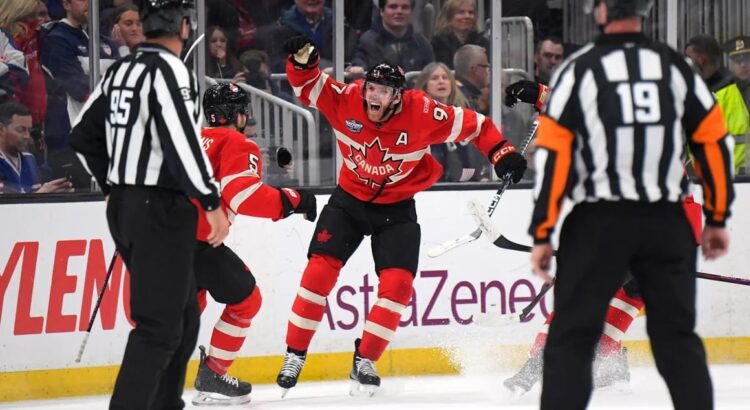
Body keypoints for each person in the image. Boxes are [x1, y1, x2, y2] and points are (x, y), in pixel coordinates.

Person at [276, 36, 527, 396]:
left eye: (382, 91)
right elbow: (307, 84)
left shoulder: (423, 112)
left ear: (398, 95)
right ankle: (294, 354)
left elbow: (477, 126)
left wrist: (501, 153)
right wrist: (302, 64)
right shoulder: (347, 99)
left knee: (396, 287)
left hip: (396, 207)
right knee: (318, 272)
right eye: (370, 88)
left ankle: (365, 358)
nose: (373, 96)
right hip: (348, 201)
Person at [529, 1, 734, 409]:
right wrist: (717, 216)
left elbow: (554, 155)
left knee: (570, 338)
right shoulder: (676, 67)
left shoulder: (579, 69)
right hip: (667, 221)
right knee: (677, 341)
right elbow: (714, 142)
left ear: (600, 11)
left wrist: (543, 230)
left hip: (598, 221)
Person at [68, 0, 230, 408]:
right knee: (160, 326)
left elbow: (82, 135)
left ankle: (164, 404)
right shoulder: (169, 70)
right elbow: (183, 141)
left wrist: (113, 185)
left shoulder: (121, 69)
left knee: (182, 317)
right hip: (158, 209)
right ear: (184, 27)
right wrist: (210, 200)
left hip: (126, 207)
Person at [190, 82, 317, 405]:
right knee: (246, 299)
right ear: (238, 114)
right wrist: (292, 199)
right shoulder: (236, 141)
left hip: (158, 242)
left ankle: (153, 384)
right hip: (199, 243)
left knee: (184, 314)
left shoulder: (187, 139)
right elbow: (243, 196)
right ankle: (213, 374)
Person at [686, 35, 750, 175]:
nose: (743, 65)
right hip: (730, 178)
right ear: (731, 64)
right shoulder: (721, 94)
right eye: (737, 61)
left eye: (747, 59)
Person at [0, 102, 72, 193]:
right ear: (1, 129)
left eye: (29, 130)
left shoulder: (29, 159)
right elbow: (7, 205)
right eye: (21, 130)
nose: (27, 136)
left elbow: (34, 193)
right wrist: (40, 195)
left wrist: (53, 194)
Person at [351, 0, 435, 73]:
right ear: (381, 11)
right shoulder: (367, 42)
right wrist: (358, 68)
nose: (399, 11)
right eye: (393, 7)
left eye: (405, 7)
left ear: (411, 12)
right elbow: (358, 62)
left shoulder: (422, 44)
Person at [430, 0, 488, 70]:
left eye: (471, 12)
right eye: (461, 12)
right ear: (448, 17)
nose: (467, 16)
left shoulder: (483, 43)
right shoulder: (437, 44)